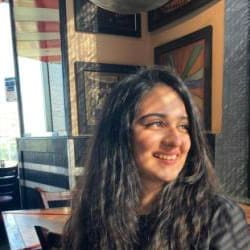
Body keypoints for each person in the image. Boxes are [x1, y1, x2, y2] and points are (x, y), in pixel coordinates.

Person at [62, 67, 250, 249]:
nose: (176, 140)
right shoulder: (95, 211)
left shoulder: (219, 218)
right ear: (119, 134)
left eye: (184, 126)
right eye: (157, 123)